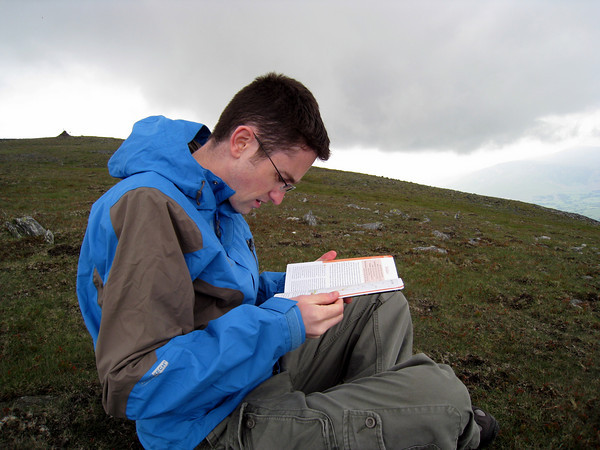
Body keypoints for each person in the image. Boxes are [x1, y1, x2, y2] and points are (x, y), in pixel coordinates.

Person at [77, 73, 498, 449]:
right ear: (242, 141)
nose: (278, 197)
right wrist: (283, 323)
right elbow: (133, 383)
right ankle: (407, 422)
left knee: (378, 299)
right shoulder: (149, 208)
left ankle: (373, 422)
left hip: (246, 373)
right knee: (448, 398)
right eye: (281, 178)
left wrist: (299, 283)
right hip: (205, 423)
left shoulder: (217, 197)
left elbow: (224, 295)